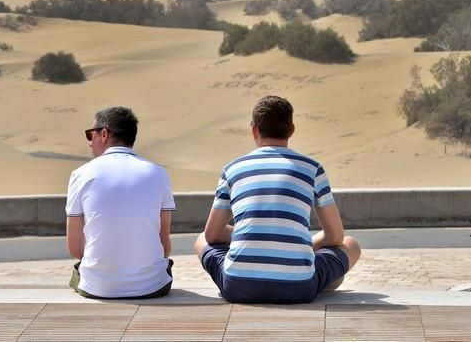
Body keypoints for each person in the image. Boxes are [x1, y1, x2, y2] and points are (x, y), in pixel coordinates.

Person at [194, 95, 361, 303]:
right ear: (292, 130)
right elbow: (335, 237)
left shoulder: (232, 169)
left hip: (238, 286)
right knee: (351, 244)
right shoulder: (312, 169)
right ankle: (318, 275)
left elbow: (212, 235)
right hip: (298, 288)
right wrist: (302, 243)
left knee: (201, 238)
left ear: (254, 130)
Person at [66, 106, 175, 298]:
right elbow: (164, 245)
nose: (90, 142)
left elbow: (75, 248)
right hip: (152, 287)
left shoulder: (80, 174)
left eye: (90, 135)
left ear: (104, 134)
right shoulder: (159, 173)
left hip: (98, 287)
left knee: (78, 270)